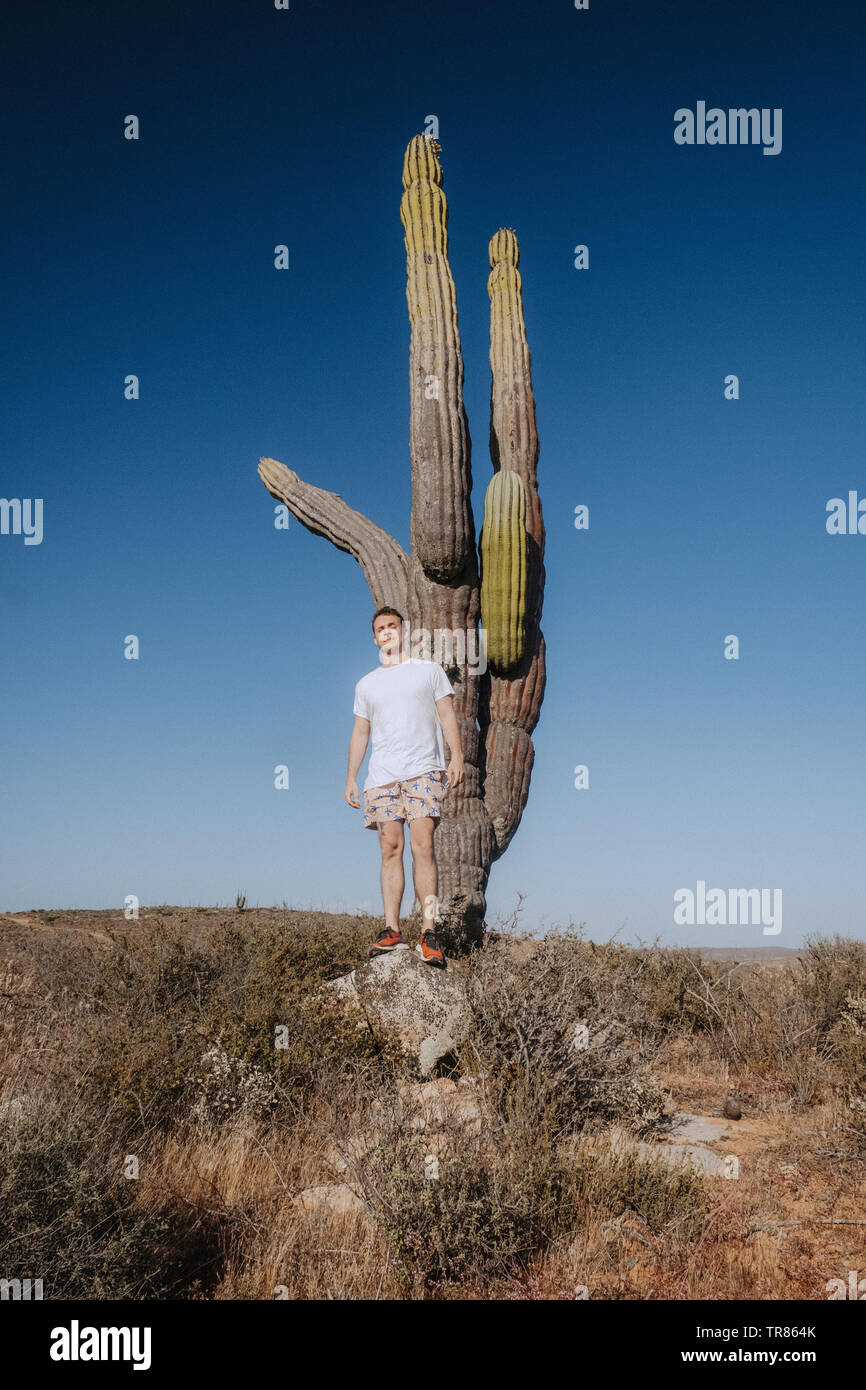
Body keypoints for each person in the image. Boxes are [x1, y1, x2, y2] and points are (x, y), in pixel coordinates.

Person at [345, 606, 464, 967]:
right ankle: (392, 929)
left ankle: (429, 931)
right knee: (389, 850)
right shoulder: (366, 684)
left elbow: (446, 714)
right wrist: (351, 775)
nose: (386, 633)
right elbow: (361, 731)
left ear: (403, 630)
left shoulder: (428, 671)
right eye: (380, 628)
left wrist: (456, 755)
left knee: (423, 845)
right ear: (375, 636)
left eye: (391, 626)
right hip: (381, 777)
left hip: (423, 771)